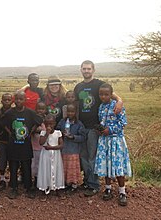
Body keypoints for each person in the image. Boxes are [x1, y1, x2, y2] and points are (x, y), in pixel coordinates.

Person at [74, 60, 123, 197]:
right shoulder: (78, 87)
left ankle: (94, 184)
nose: (86, 71)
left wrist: (120, 101)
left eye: (89, 69)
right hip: (82, 126)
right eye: (84, 69)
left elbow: (113, 95)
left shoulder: (99, 84)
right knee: (83, 156)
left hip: (94, 127)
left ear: (93, 70)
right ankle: (87, 181)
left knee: (92, 156)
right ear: (81, 70)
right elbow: (77, 106)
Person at [94, 83, 132, 206]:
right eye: (101, 94)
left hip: (116, 141)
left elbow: (123, 123)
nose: (103, 96)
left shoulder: (117, 105)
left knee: (118, 165)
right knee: (106, 165)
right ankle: (108, 188)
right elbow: (101, 122)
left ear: (111, 95)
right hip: (104, 141)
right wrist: (100, 130)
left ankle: (122, 192)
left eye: (106, 94)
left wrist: (109, 130)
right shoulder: (100, 107)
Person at [1, 91, 43, 199]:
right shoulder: (10, 112)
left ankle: (28, 188)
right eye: (17, 99)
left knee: (26, 166)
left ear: (25, 100)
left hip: (25, 145)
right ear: (14, 100)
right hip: (13, 145)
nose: (19, 101)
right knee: (13, 166)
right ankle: (14, 188)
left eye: (21, 99)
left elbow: (39, 120)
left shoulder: (29, 112)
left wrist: (31, 131)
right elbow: (3, 122)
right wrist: (10, 133)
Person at [56, 104, 86, 193]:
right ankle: (65, 183)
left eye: (72, 111)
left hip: (73, 151)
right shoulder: (62, 122)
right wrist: (61, 133)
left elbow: (83, 137)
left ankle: (74, 184)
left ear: (75, 112)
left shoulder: (79, 124)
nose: (70, 113)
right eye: (68, 111)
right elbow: (56, 131)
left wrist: (73, 137)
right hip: (63, 150)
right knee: (64, 167)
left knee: (72, 168)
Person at [37, 114, 64, 197]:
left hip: (55, 154)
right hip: (45, 155)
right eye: (47, 124)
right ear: (44, 124)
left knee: (57, 170)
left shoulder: (58, 133)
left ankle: (58, 188)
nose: (49, 126)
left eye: (51, 124)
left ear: (54, 123)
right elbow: (41, 143)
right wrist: (47, 133)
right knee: (45, 170)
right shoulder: (43, 132)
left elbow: (61, 145)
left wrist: (51, 147)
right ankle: (44, 188)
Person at [0, 93, 13, 191]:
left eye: (9, 100)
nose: (6, 102)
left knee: (13, 160)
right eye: (5, 100)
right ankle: (2, 179)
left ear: (12, 101)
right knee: (2, 160)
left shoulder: (15, 112)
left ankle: (12, 179)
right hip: (2, 140)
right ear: (1, 101)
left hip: (13, 141)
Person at [31, 102, 47, 189]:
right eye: (39, 109)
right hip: (35, 146)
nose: (40, 111)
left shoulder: (47, 120)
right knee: (35, 164)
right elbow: (31, 130)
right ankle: (35, 181)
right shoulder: (34, 119)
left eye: (42, 109)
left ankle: (43, 182)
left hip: (44, 147)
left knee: (43, 164)